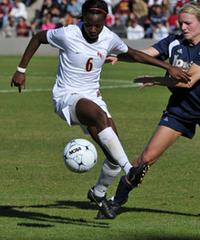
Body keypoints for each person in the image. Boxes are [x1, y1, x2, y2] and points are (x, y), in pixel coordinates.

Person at [11, 0, 189, 219]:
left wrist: (167, 67)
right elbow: (39, 36)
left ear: (105, 21)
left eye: (97, 26)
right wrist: (21, 70)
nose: (93, 30)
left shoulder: (109, 37)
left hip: (93, 96)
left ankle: (98, 192)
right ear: (82, 19)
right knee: (98, 116)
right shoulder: (67, 34)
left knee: (112, 153)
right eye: (88, 25)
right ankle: (129, 170)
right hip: (67, 96)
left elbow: (133, 54)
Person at [100, 3, 200, 219]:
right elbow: (146, 53)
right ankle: (115, 204)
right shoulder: (174, 42)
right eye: (180, 22)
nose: (183, 27)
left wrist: (154, 80)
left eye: (188, 23)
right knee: (144, 159)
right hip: (180, 110)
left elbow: (188, 81)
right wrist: (120, 56)